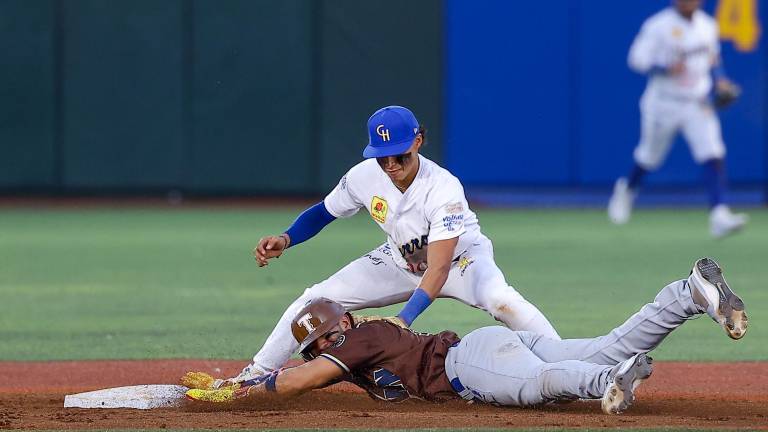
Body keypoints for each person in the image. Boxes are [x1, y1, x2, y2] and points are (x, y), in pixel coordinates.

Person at [227, 105, 560, 385]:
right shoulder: (363, 176)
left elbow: (439, 268)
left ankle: (565, 366)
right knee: (314, 298)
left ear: (418, 141)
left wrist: (403, 319)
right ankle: (254, 375)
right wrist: (287, 238)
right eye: (381, 157)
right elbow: (324, 212)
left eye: (399, 155)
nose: (390, 165)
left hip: (461, 263)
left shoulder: (443, 189)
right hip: (399, 261)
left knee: (504, 302)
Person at [184, 257, 748, 415]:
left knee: (540, 385)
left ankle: (608, 382)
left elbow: (298, 381)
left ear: (337, 330)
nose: (324, 349)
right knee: (604, 345)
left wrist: (241, 390)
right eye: (319, 345)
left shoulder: (356, 340)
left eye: (322, 341)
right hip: (483, 348)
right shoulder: (362, 341)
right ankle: (685, 294)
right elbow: (311, 372)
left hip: (469, 364)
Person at [608, 0, 748, 238]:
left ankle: (719, 215)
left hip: (697, 102)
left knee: (712, 153)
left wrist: (720, 80)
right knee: (649, 157)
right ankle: (627, 189)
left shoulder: (708, 25)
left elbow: (713, 58)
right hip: (664, 102)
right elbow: (635, 59)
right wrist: (665, 67)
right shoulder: (657, 25)